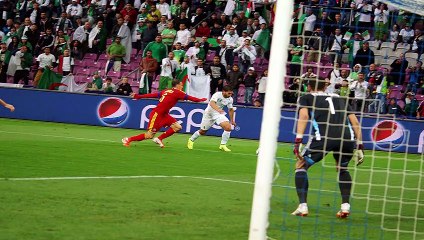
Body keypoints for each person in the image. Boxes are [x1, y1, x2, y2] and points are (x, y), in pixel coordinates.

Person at [292, 78, 364, 218]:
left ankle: (303, 206)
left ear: (309, 87)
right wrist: (360, 145)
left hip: (324, 138)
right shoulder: (340, 98)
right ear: (325, 87)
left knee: (300, 165)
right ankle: (345, 206)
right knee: (342, 169)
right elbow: (355, 121)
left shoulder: (306, 97)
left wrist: (298, 140)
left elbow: (304, 115)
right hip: (347, 138)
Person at [122, 80, 207, 148]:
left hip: (164, 115)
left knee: (177, 127)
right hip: (157, 114)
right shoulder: (178, 92)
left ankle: (159, 139)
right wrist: (201, 100)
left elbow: (152, 95)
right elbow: (191, 98)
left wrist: (138, 96)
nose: (182, 86)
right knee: (149, 135)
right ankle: (128, 139)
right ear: (177, 85)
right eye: (181, 85)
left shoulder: (166, 91)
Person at [187, 85, 236, 152]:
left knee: (228, 127)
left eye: (231, 93)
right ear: (224, 92)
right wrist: (218, 109)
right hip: (209, 113)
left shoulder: (230, 99)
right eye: (229, 93)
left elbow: (230, 109)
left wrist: (232, 120)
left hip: (218, 114)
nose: (230, 95)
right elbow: (212, 103)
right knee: (202, 131)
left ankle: (223, 145)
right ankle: (191, 140)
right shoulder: (217, 94)